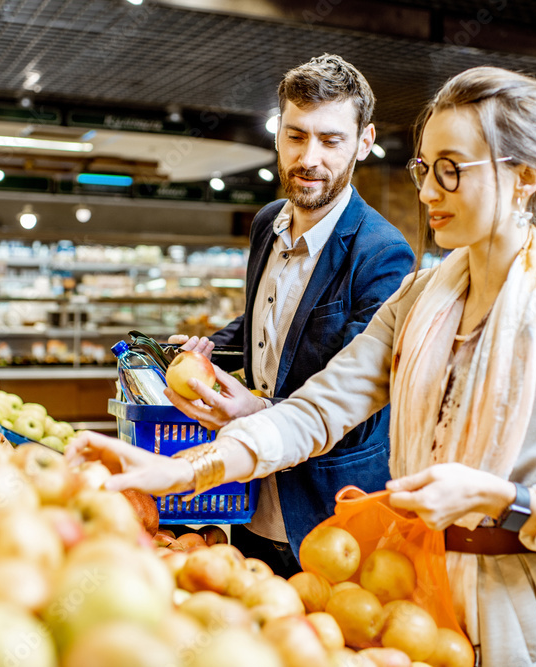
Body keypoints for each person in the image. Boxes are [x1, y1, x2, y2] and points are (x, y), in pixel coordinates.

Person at [70, 66, 536, 665]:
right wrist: (181, 472)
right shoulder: (419, 300)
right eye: (424, 169)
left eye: (451, 170)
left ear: (524, 176)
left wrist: (502, 499)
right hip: (398, 593)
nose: (428, 194)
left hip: (509, 616)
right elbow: (318, 409)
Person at [165, 54, 415, 573]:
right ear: (278, 133)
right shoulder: (265, 224)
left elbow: (362, 406)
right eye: (296, 136)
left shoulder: (382, 254)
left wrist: (257, 412)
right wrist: (206, 350)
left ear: (364, 142)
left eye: (331, 140)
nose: (310, 157)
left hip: (328, 516)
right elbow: (265, 323)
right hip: (252, 499)